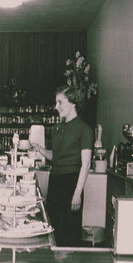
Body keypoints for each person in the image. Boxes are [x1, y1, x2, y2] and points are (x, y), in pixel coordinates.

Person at [31, 86, 93, 247]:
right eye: (55, 103)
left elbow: (85, 164)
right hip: (55, 180)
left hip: (72, 182)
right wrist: (40, 149)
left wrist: (77, 193)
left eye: (60, 102)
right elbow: (56, 158)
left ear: (73, 103)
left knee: (70, 231)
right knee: (53, 228)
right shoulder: (56, 129)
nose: (56, 107)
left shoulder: (84, 129)